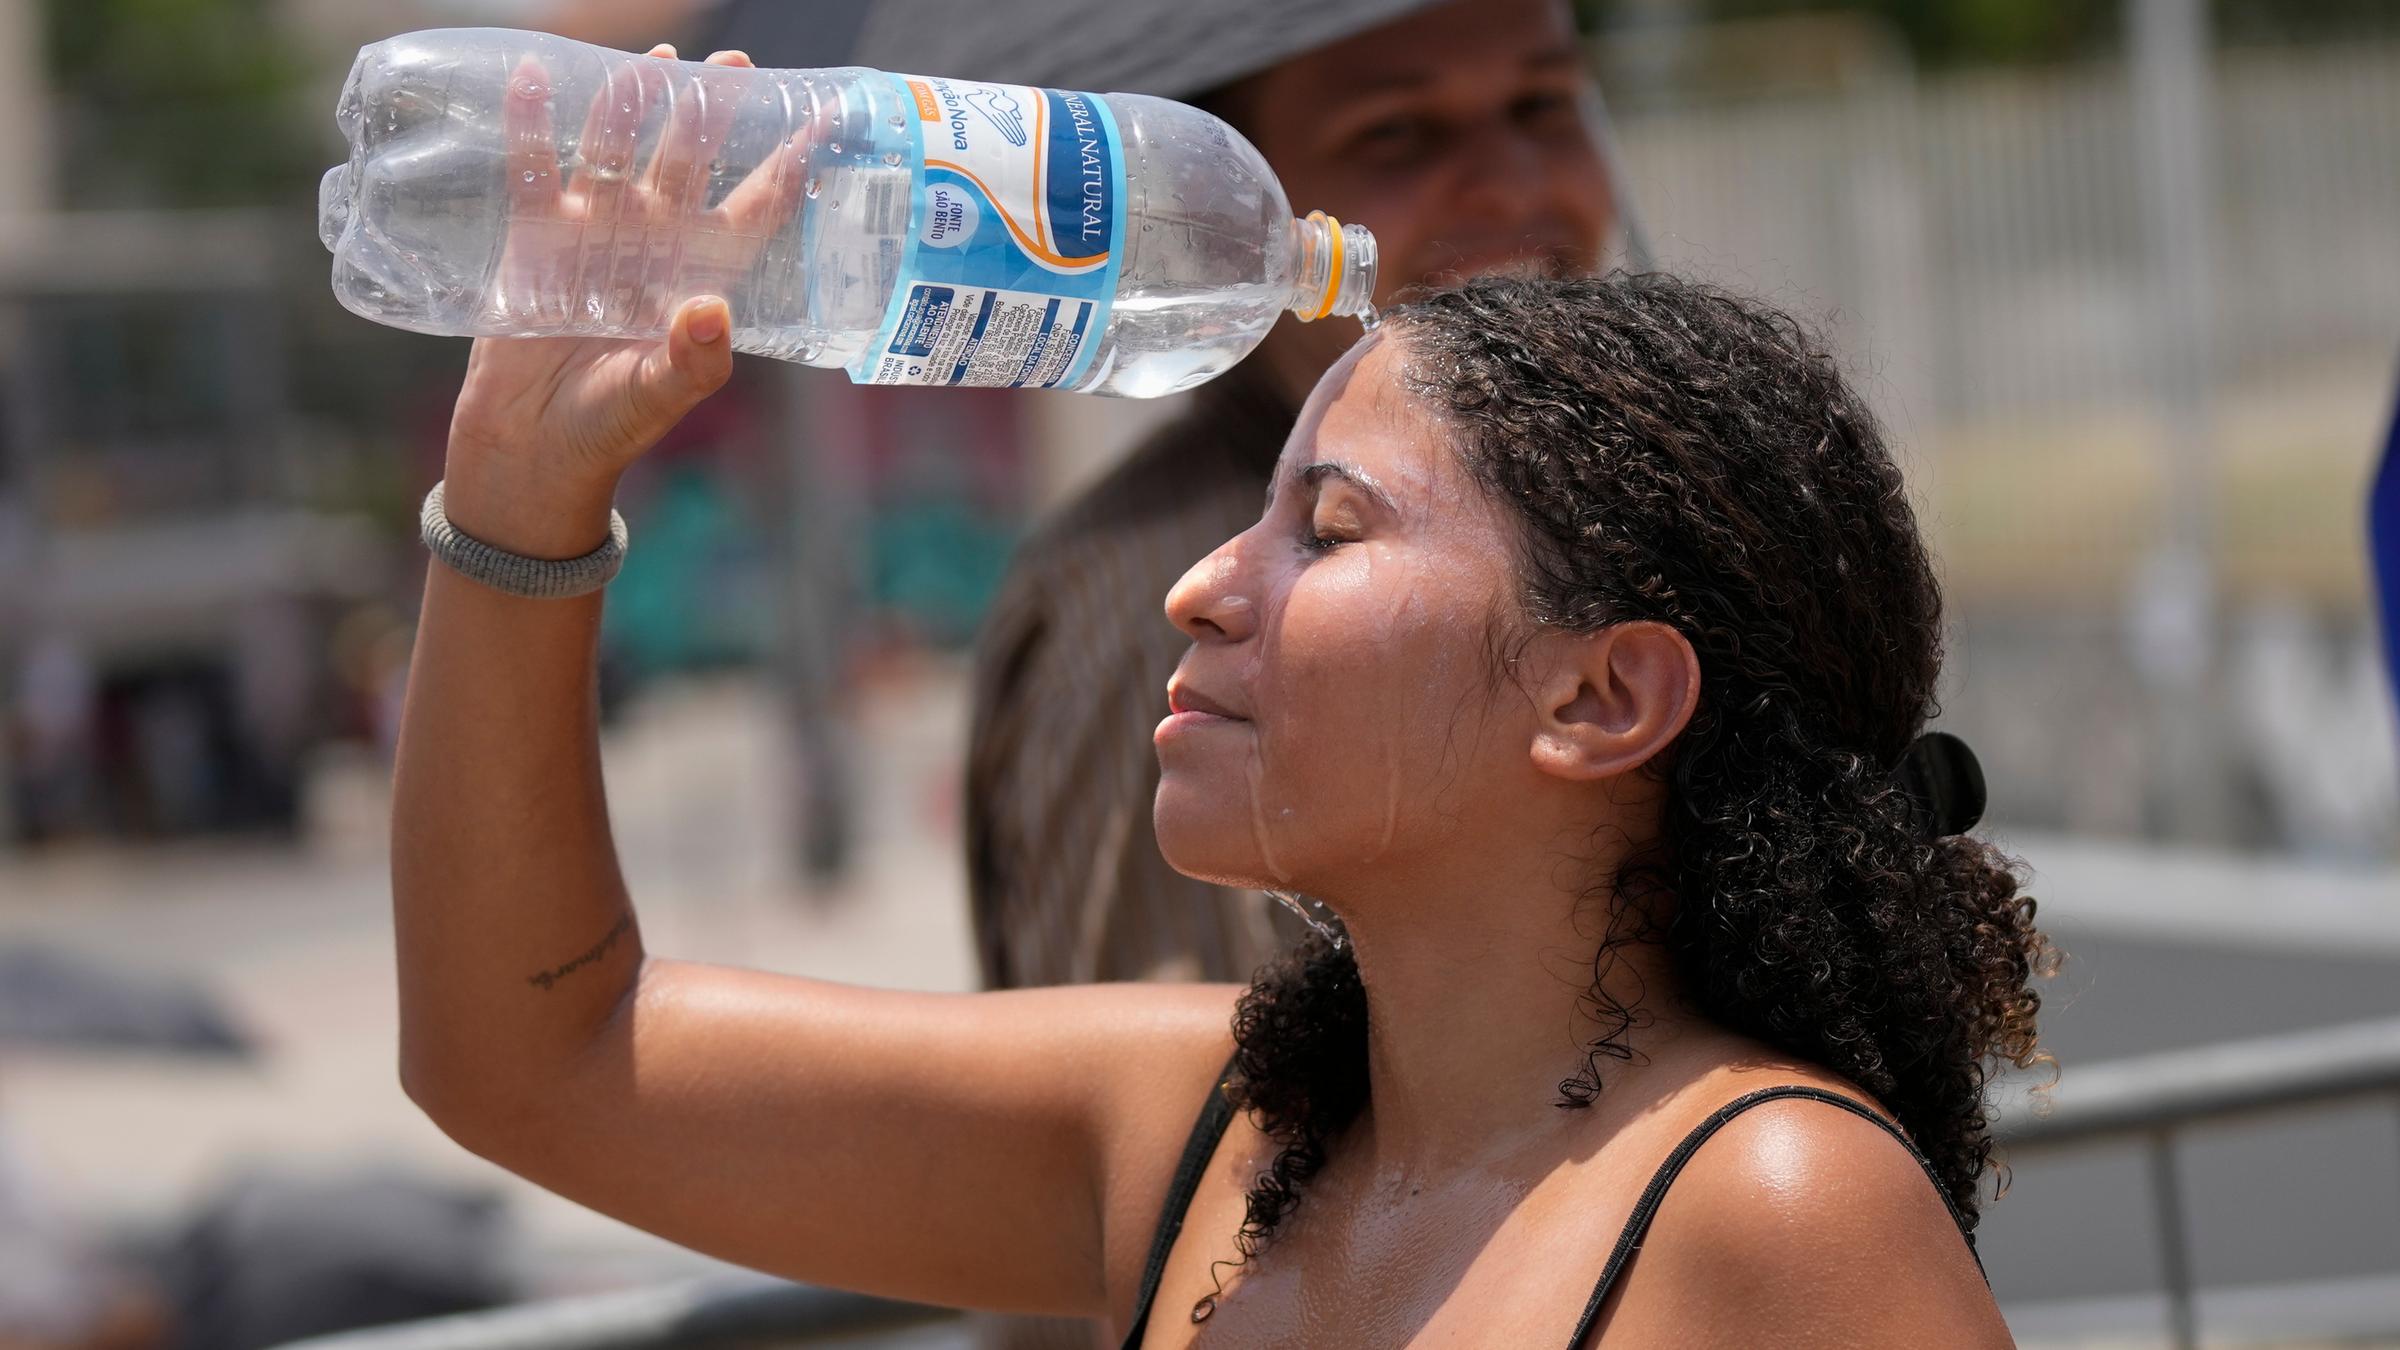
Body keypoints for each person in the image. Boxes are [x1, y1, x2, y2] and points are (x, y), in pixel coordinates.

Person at [389, 48, 2046, 1340]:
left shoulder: (1775, 1206)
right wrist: (518, 506)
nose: (1200, 586)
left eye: (1327, 529)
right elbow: (537, 1054)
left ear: (1604, 694)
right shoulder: (1198, 1131)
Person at [961, 0, 1630, 989]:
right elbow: (1196, 1121)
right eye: (1396, 132)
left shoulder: (1586, 512)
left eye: (1541, 103)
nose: (1514, 183)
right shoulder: (1173, 615)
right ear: (1214, 203)